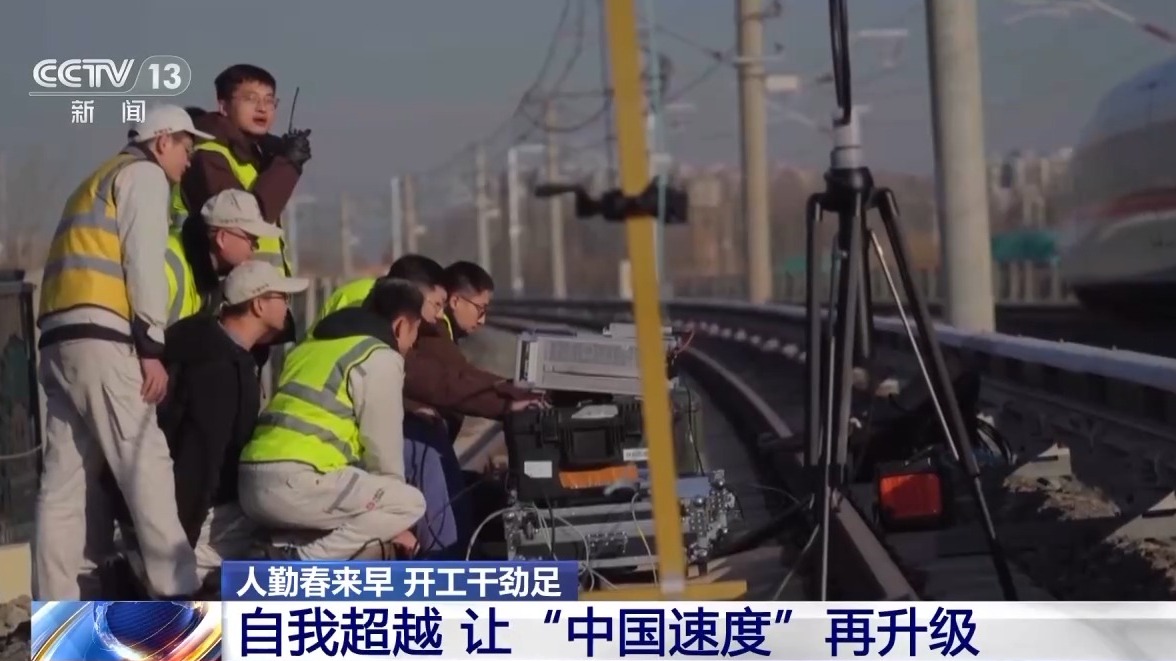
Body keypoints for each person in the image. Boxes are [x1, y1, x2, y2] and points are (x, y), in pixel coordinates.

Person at [34, 104, 212, 600]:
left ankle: (56, 607)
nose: (189, 160)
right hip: (105, 337)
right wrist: (151, 345)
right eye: (186, 147)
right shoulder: (144, 177)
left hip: (59, 337)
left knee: (63, 485)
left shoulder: (92, 182)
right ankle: (177, 593)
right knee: (144, 461)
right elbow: (143, 262)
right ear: (162, 142)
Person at [237, 278, 427, 560]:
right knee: (409, 502)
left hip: (251, 483)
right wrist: (392, 522)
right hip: (298, 482)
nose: (413, 344)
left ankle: (276, 548)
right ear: (401, 326)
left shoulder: (310, 348)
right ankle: (301, 561)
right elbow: (384, 456)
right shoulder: (379, 356)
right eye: (415, 332)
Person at [160, 261, 307, 580]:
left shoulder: (206, 344)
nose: (288, 306)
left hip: (167, 507)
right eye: (282, 297)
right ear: (258, 305)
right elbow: (199, 461)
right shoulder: (220, 370)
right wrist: (178, 548)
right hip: (194, 520)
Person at [172, 64, 310, 275]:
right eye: (250, 99)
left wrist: (278, 154)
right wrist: (288, 165)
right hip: (225, 285)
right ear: (223, 106)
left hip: (259, 285)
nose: (262, 108)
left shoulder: (257, 156)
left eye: (269, 100)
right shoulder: (208, 155)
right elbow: (241, 220)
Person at [406, 260, 543, 444]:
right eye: (480, 309)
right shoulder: (433, 331)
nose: (482, 320)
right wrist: (507, 401)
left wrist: (508, 388)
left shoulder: (440, 328)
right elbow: (454, 380)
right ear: (455, 301)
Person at [165, 189, 281, 325]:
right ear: (222, 238)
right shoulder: (168, 267)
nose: (255, 247)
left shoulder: (204, 276)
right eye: (251, 239)